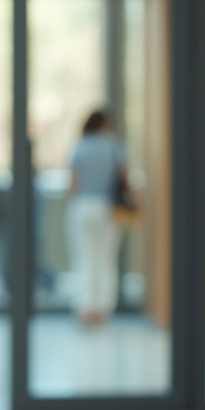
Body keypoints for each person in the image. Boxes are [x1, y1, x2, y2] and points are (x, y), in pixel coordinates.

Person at [66, 108, 129, 324]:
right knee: (106, 259)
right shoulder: (114, 147)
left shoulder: (80, 147)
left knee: (84, 258)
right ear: (104, 125)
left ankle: (85, 307)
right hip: (108, 208)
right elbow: (125, 179)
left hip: (82, 206)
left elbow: (73, 183)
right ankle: (103, 307)